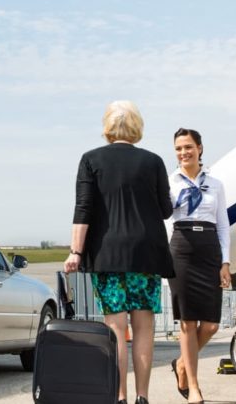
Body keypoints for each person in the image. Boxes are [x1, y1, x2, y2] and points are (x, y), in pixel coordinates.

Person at [64, 100, 174, 404]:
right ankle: (142, 397)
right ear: (137, 126)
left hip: (108, 256)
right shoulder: (153, 161)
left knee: (115, 328)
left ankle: (120, 397)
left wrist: (75, 251)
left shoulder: (90, 159)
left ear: (107, 127)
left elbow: (83, 208)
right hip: (146, 256)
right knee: (144, 327)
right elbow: (166, 210)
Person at [167, 128, 231, 404]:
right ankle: (193, 386)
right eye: (179, 148)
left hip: (209, 249)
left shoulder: (216, 184)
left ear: (200, 148)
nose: (184, 153)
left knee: (211, 325)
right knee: (188, 322)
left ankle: (182, 362)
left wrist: (225, 261)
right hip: (181, 247)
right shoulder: (169, 182)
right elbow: (166, 219)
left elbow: (223, 225)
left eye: (189, 147)